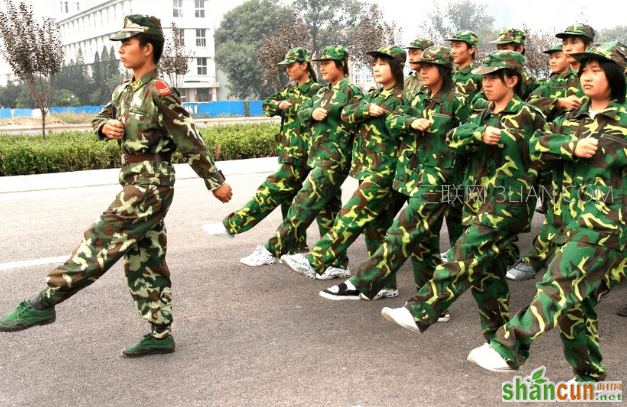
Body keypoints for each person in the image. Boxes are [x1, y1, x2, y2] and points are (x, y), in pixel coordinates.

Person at [0, 15, 232, 357]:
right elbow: (99, 117)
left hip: (152, 181)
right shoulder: (124, 90)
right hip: (134, 178)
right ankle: (160, 333)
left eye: (127, 43)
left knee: (102, 237)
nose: (121, 50)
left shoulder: (160, 92)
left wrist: (216, 182)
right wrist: (104, 125)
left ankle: (44, 300)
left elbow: (190, 140)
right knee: (145, 256)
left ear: (147, 48)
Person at [467, 42, 627, 382]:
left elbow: (606, 155)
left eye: (596, 70)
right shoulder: (572, 117)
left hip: (603, 225)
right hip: (566, 221)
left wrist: (565, 148)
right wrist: (570, 146)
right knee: (573, 308)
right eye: (584, 70)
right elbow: (535, 146)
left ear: (616, 75)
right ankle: (591, 378)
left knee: (557, 284)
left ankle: (509, 346)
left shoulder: (624, 118)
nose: (586, 76)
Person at [379, 51, 547, 343]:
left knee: (463, 254)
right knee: (487, 279)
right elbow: (454, 137)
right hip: (478, 201)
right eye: (485, 77)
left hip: (508, 203)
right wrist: (479, 134)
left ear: (513, 80)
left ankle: (420, 310)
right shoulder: (482, 113)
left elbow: (547, 157)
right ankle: (498, 342)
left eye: (495, 77)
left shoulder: (529, 115)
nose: (487, 83)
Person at [318, 46, 470, 307]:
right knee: (424, 245)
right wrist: (410, 123)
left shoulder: (459, 100)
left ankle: (362, 282)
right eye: (420, 68)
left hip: (442, 181)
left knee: (401, 232)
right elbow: (394, 121)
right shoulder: (419, 98)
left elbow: (471, 136)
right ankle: (431, 303)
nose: (421, 72)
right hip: (416, 177)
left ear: (443, 70)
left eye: (428, 68)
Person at [281, 46, 407, 292]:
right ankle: (384, 284)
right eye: (376, 63)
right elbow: (348, 113)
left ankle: (316, 260)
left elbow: (398, 126)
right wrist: (365, 110)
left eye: (383, 63)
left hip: (384, 172)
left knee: (349, 217)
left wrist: (370, 112)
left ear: (397, 68)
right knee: (376, 229)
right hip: (367, 170)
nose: (376, 67)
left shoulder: (402, 99)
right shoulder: (373, 96)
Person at [239, 46, 362, 273]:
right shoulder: (325, 91)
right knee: (329, 212)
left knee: (302, 204)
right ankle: (336, 264)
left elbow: (359, 118)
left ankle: (273, 249)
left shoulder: (350, 91)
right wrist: (311, 113)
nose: (323, 67)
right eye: (321, 63)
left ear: (341, 64)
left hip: (334, 159)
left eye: (328, 63)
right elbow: (304, 111)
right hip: (320, 157)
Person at [203, 47, 331, 256]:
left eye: (291, 66)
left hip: (307, 154)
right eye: (286, 67)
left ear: (304, 65)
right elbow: (266, 105)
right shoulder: (289, 91)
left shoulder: (318, 92)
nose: (287, 70)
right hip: (289, 154)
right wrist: (279, 105)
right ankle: (295, 249)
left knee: (273, 191)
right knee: (290, 202)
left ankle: (232, 226)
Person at [507, 24, 595, 282]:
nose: (567, 46)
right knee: (559, 210)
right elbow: (527, 106)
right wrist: (558, 102)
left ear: (588, 46)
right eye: (565, 41)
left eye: (574, 42)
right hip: (559, 155)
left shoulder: (601, 77)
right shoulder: (556, 82)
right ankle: (536, 260)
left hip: (596, 156)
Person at [447, 30, 483, 102]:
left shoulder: (478, 76)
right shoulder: (449, 74)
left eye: (458, 46)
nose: (453, 51)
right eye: (452, 46)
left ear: (471, 49)